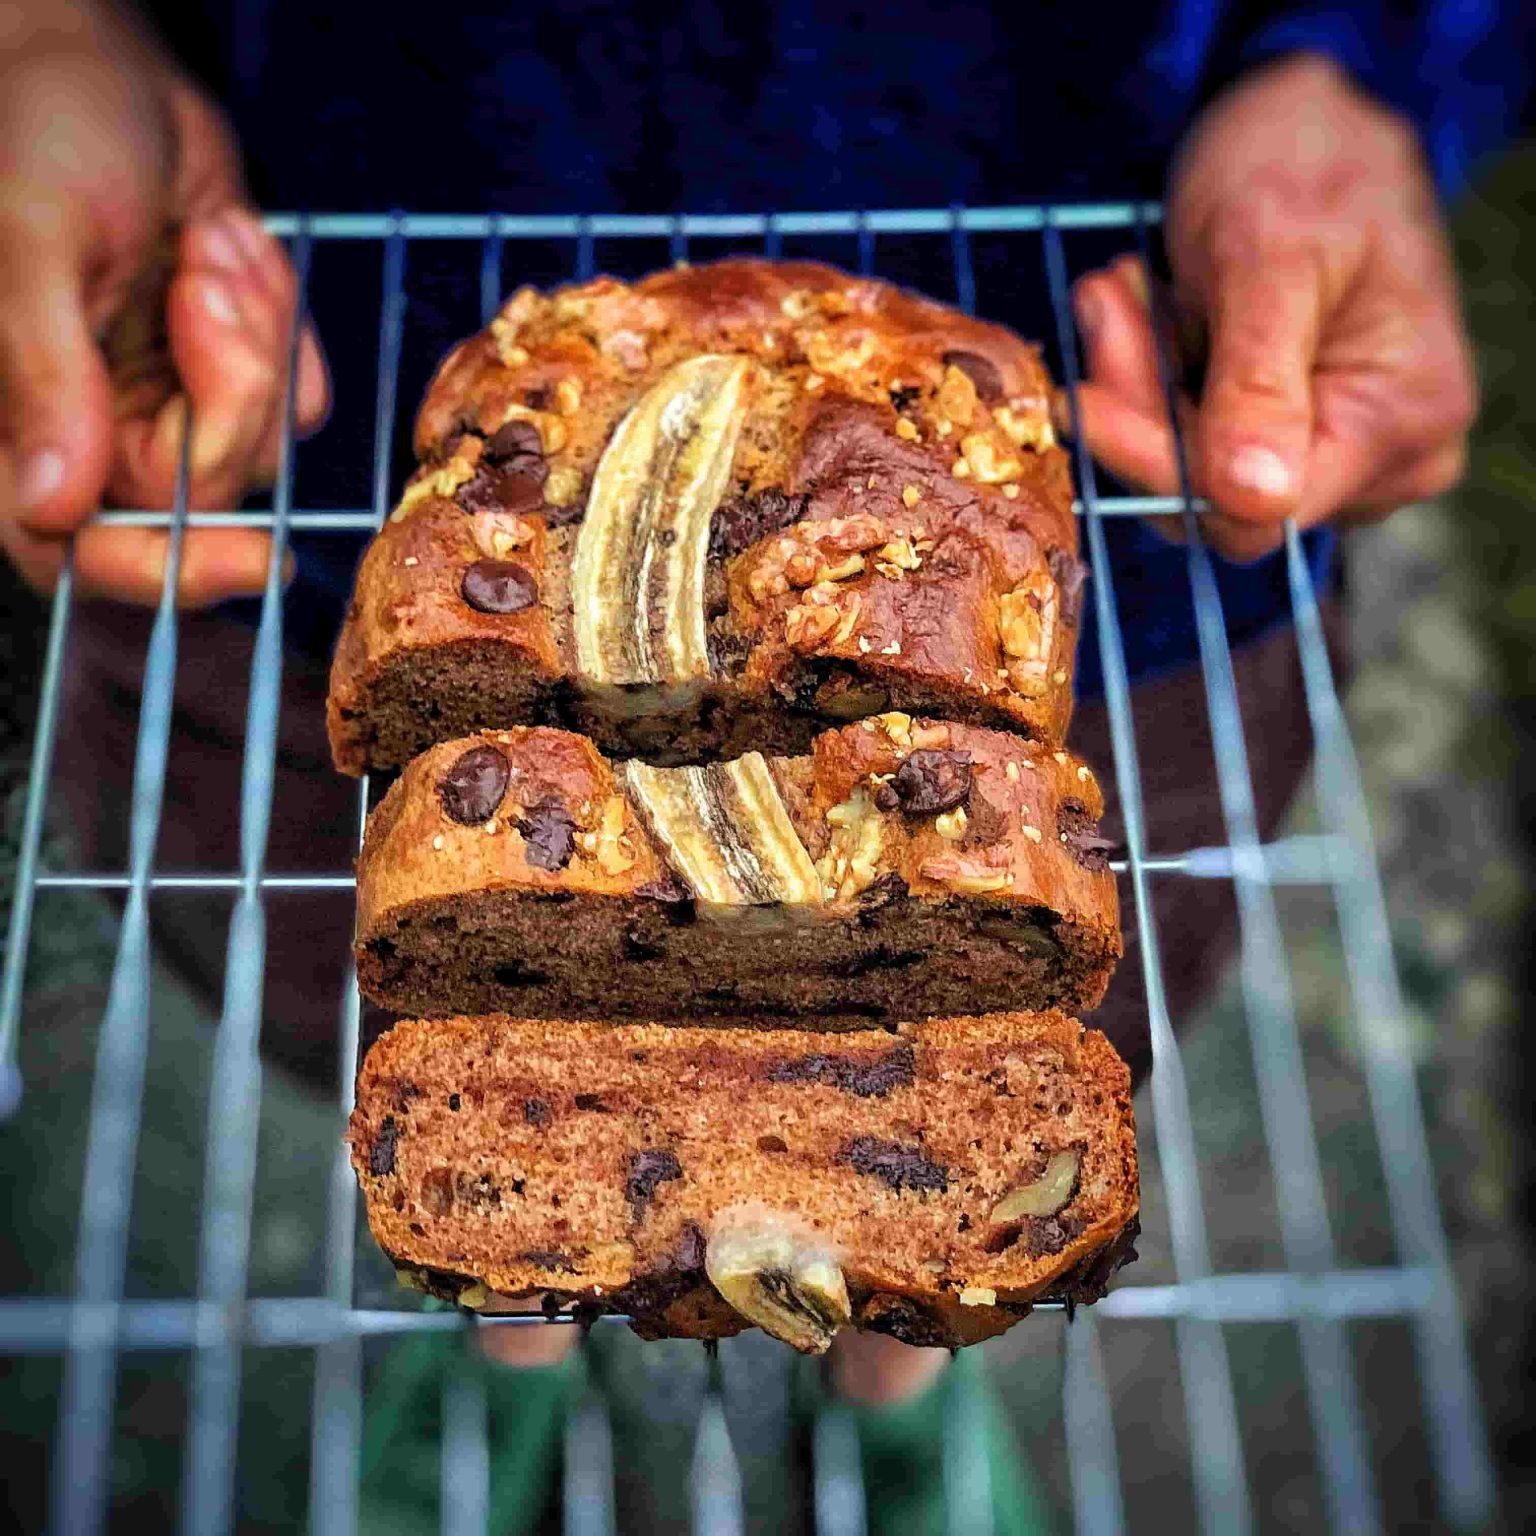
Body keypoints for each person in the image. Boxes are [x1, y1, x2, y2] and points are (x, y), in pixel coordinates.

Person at [0, 2, 1521, 1531]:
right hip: (324, 452)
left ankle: (899, 1383)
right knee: (452, 1016)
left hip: (1103, 517)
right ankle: (515, 1323)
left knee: (988, 1022)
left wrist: (1353, 70)